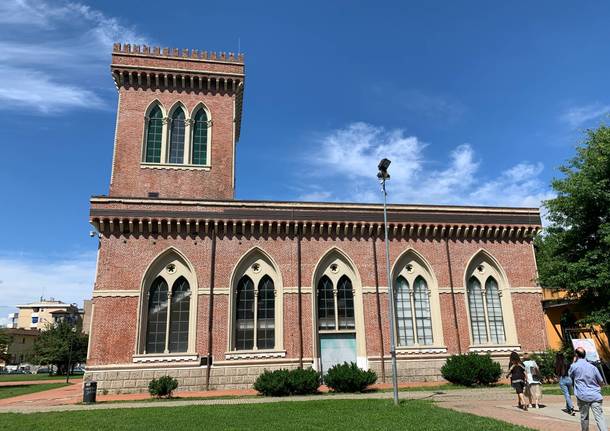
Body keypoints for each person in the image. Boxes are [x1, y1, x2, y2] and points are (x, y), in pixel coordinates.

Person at [569, 347, 608, 431]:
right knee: (600, 418)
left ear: (576, 355)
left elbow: (570, 376)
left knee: (584, 418)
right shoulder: (593, 367)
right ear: (585, 355)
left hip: (582, 396)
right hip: (595, 396)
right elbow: (601, 382)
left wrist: (573, 362)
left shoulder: (574, 366)